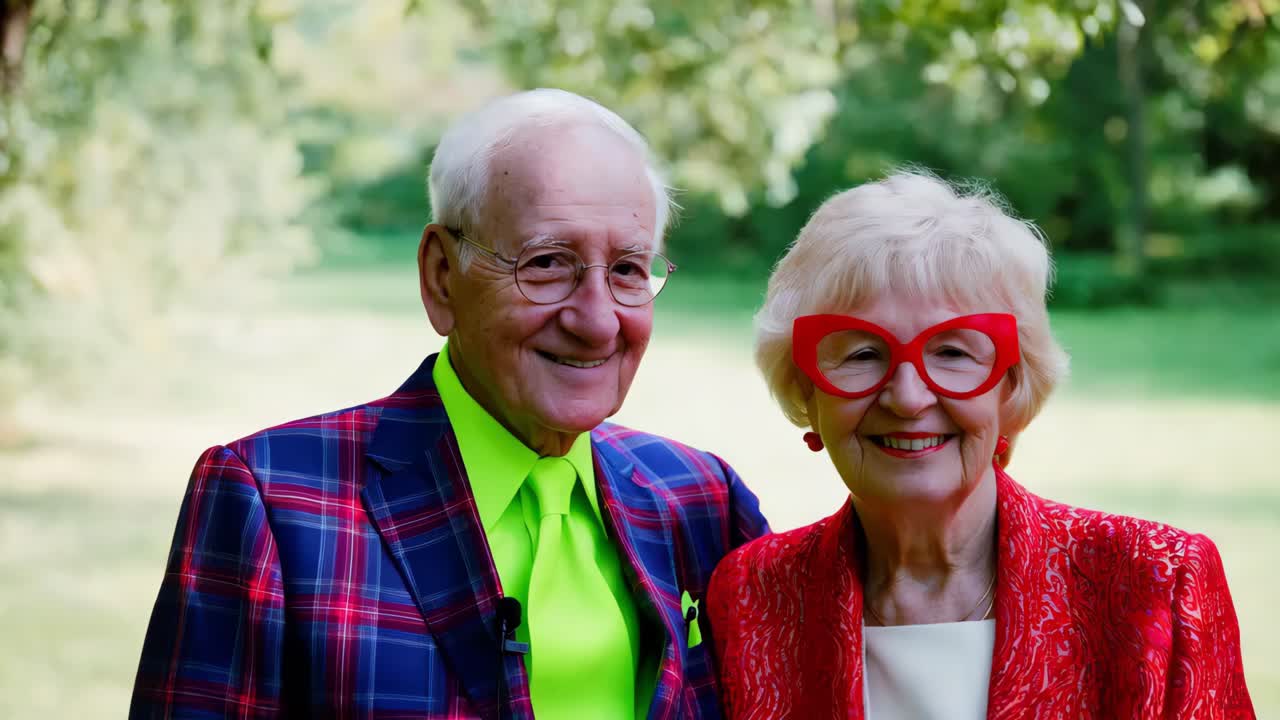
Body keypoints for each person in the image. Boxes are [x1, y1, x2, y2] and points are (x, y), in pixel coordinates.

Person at [130, 88, 769, 720]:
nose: (599, 322)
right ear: (441, 275)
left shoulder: (702, 501)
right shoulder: (272, 503)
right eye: (547, 262)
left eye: (628, 269)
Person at [707, 171, 1254, 719]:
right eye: (862, 355)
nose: (907, 396)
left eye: (952, 352)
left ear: (1011, 385)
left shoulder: (1157, 582)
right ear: (807, 390)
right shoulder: (753, 595)